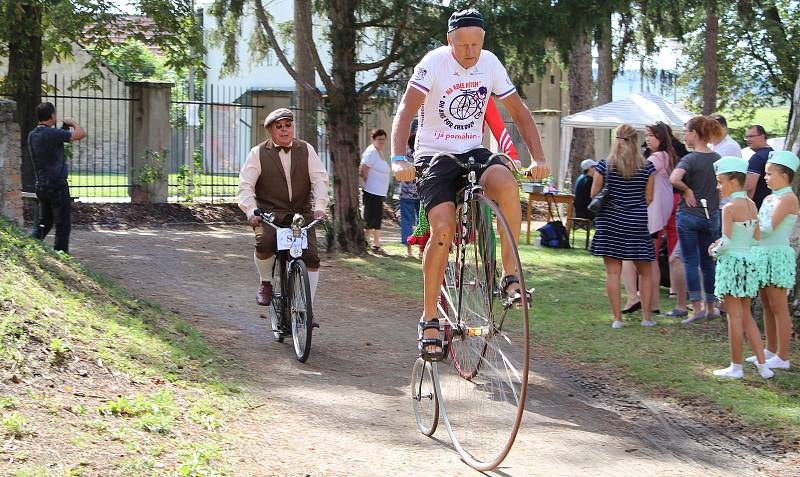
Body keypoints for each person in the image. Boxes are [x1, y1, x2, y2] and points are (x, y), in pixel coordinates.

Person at [390, 8, 549, 360]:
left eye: (476, 44)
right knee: (443, 229)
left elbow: (519, 112)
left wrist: (538, 158)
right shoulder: (433, 63)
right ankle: (429, 317)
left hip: (473, 151)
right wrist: (399, 157)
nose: (470, 52)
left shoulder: (490, 63)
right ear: (450, 41)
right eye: (463, 45)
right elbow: (405, 109)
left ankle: (509, 274)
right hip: (434, 155)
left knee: (507, 185)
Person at [237, 108, 329, 314]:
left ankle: (306, 308)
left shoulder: (306, 149)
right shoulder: (258, 153)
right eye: (279, 127)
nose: (285, 130)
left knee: (312, 257)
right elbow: (245, 185)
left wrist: (320, 208)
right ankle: (266, 282)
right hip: (270, 215)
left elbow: (320, 180)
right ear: (270, 130)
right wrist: (251, 210)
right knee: (265, 242)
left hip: (301, 215)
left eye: (288, 125)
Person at [708, 157, 773, 379]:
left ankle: (736, 366)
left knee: (734, 317)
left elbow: (725, 242)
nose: (719, 186)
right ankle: (763, 366)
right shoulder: (752, 205)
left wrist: (714, 250)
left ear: (733, 180)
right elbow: (756, 238)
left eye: (720, 181)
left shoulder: (729, 208)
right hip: (749, 262)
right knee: (746, 316)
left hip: (733, 264)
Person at [590, 124, 656, 329]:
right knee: (645, 272)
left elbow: (594, 194)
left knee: (613, 273)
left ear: (616, 139)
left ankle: (618, 319)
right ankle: (646, 317)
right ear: (636, 141)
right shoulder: (647, 167)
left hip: (610, 222)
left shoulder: (604, 165)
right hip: (636, 222)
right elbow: (649, 198)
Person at [669, 116, 724, 324]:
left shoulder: (689, 159)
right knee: (708, 263)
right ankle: (711, 306)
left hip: (689, 214)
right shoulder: (718, 158)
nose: (684, 136)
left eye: (686, 132)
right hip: (711, 215)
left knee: (690, 261)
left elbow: (674, 179)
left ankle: (697, 307)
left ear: (695, 133)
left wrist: (687, 189)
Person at [749, 151, 799, 371]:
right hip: (762, 254)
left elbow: (768, 229)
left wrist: (742, 224)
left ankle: (783, 355)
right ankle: (770, 349)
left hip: (777, 256)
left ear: (785, 175)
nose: (765, 177)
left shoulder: (788, 198)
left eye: (770, 174)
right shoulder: (769, 198)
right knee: (766, 303)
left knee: (779, 306)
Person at [28, 102, 86, 254]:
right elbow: (81, 133)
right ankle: (61, 256)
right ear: (52, 116)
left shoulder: (33, 135)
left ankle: (29, 245)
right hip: (57, 187)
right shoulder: (52, 134)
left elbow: (53, 142)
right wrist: (72, 122)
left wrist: (63, 129)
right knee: (62, 224)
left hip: (41, 186)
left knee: (45, 222)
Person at [643, 122, 680, 314]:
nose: (647, 139)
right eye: (646, 135)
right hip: (661, 208)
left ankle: (651, 301)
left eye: (651, 135)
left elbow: (641, 174)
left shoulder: (657, 157)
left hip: (655, 212)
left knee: (650, 259)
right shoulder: (667, 155)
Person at [360, 128, 391, 254]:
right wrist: (368, 183)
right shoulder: (371, 152)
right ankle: (372, 243)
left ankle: (370, 242)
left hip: (378, 192)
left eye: (383, 139)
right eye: (379, 139)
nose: (381, 141)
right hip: (372, 191)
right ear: (373, 139)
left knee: (375, 218)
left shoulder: (379, 152)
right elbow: (364, 169)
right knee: (370, 218)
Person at [400, 133, 421, 258]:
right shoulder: (421, 156)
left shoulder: (404, 157)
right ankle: (421, 250)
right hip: (420, 194)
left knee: (407, 222)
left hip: (405, 194)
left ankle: (409, 251)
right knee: (421, 223)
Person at [744, 125, 773, 209]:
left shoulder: (757, 158)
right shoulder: (772, 154)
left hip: (757, 207)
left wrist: (747, 209)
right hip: (768, 206)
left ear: (762, 137)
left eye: (751, 136)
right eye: (747, 137)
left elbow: (749, 187)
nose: (748, 140)